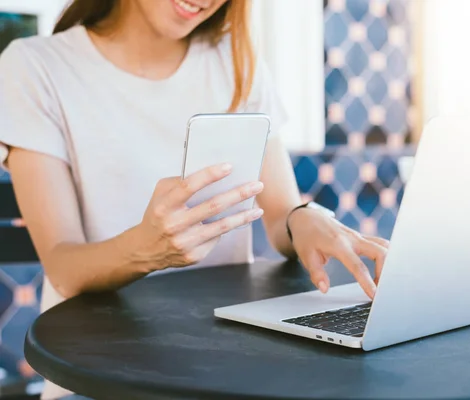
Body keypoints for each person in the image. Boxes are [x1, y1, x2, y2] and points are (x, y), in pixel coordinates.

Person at [0, 0, 388, 398]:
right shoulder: (34, 67)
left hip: (223, 364)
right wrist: (144, 250)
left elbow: (279, 216)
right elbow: (63, 264)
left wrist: (304, 218)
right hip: (93, 376)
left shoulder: (235, 60)